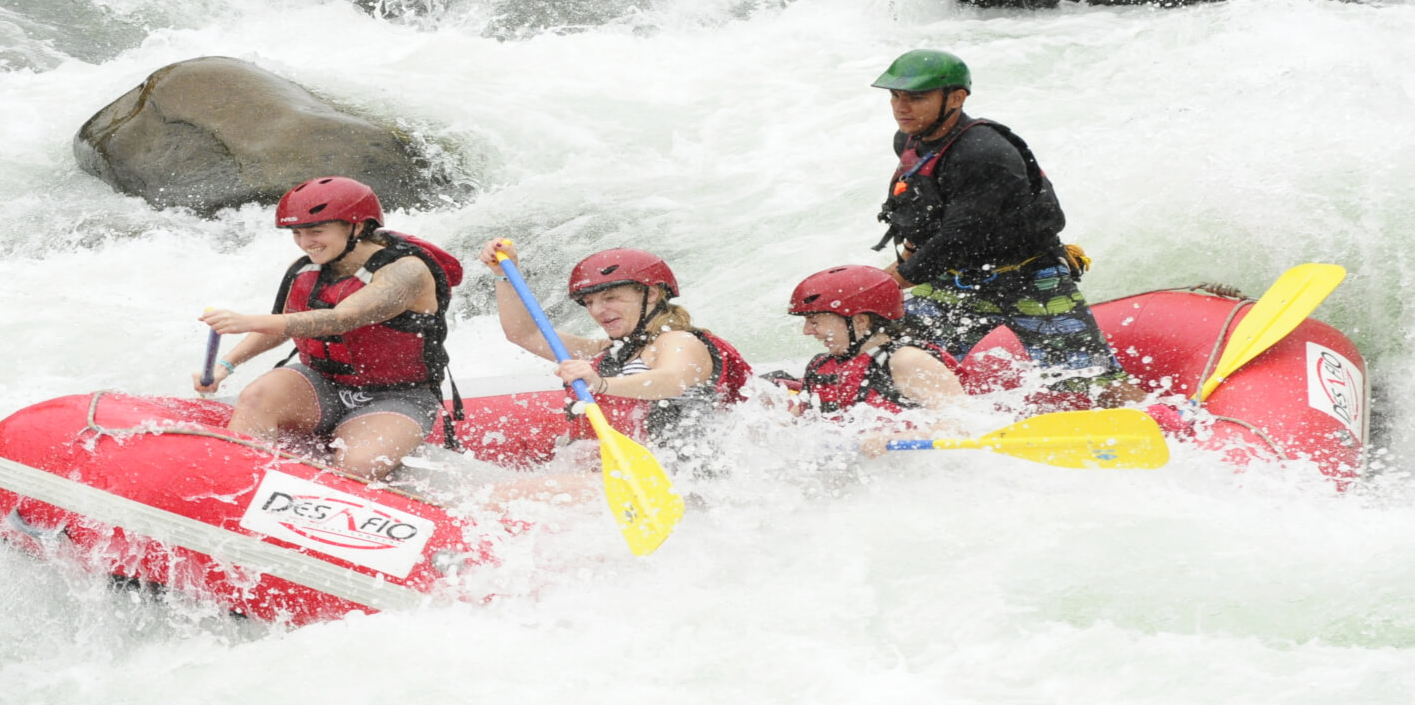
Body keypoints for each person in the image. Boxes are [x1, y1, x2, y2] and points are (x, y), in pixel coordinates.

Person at [869, 48, 1142, 409]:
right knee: (892, 352)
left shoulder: (984, 153)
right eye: (895, 96)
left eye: (916, 97)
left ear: (956, 98)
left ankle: (1169, 424)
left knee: (1092, 384)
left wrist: (877, 289)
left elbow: (956, 239)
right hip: (960, 280)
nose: (901, 107)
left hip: (1030, 279)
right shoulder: (910, 140)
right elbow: (925, 213)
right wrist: (897, 265)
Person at [195, 177, 462, 481]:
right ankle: (236, 479)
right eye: (297, 233)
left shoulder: (407, 271)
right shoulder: (306, 266)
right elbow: (282, 325)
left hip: (398, 395)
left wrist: (249, 319)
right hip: (321, 382)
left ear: (357, 227)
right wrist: (226, 365)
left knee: (358, 466)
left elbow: (342, 318)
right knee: (257, 397)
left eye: (316, 231)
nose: (306, 242)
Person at [479, 241, 751, 475]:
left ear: (651, 293)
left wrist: (601, 385)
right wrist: (503, 275)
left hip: (677, 477)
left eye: (611, 298)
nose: (598, 310)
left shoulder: (679, 340)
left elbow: (673, 380)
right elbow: (524, 333)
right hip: (622, 472)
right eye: (589, 303)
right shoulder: (609, 350)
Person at [783, 265, 971, 457]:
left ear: (860, 322)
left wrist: (897, 437)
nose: (806, 331)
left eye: (814, 321)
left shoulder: (906, 360)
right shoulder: (821, 365)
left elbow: (962, 425)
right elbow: (798, 419)